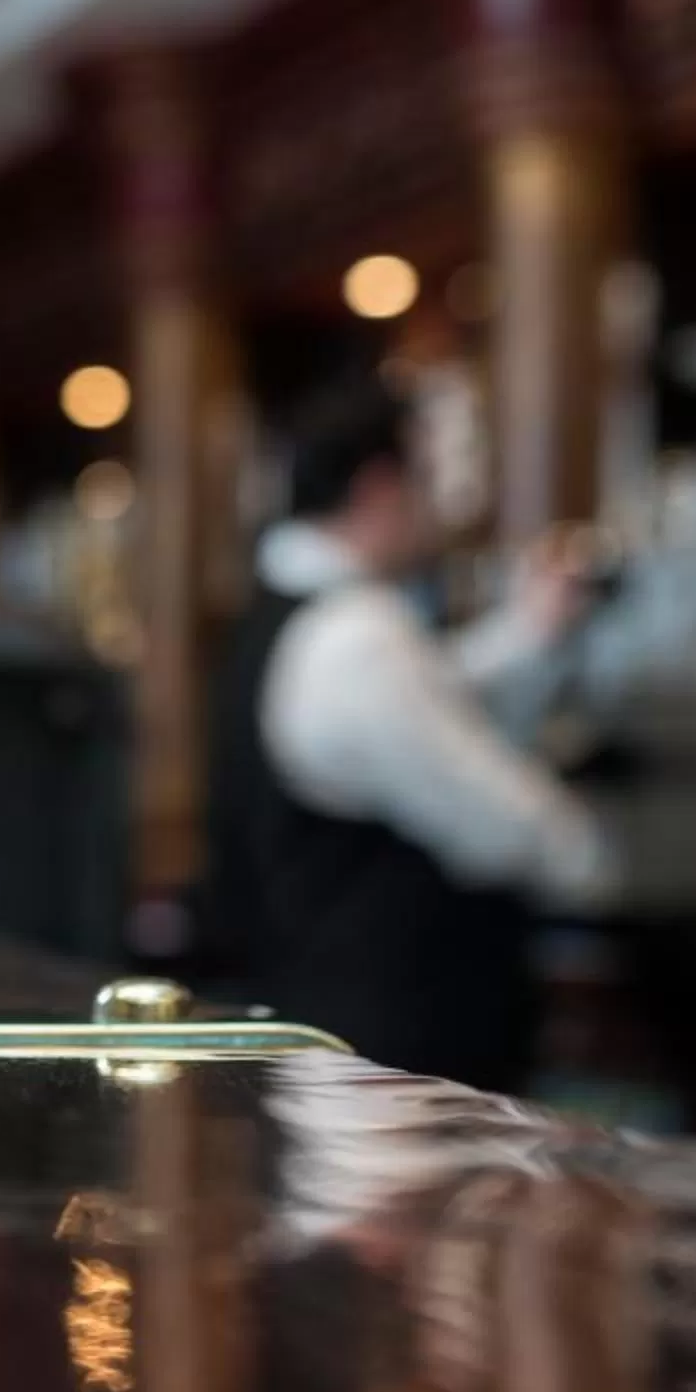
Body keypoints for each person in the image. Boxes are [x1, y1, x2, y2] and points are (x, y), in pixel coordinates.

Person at [205, 375, 610, 1093]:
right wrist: (594, 862)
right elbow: (500, 824)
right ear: (381, 484)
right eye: (430, 478)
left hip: (330, 1037)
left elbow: (431, 690)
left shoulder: (291, 611)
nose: (442, 509)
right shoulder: (356, 635)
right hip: (397, 1062)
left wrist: (529, 634)